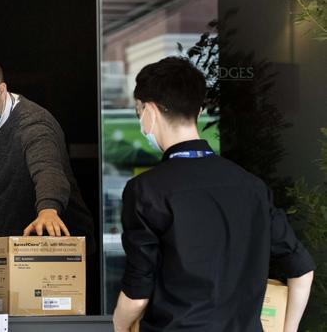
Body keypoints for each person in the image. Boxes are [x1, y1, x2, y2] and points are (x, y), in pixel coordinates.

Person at [112, 57, 315, 332]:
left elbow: (137, 297)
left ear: (149, 109)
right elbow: (301, 268)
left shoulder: (146, 191)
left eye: (138, 112)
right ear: (198, 109)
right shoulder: (251, 186)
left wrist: (119, 326)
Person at [0, 56, 95, 252]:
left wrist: (48, 209)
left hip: (60, 244)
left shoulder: (33, 124)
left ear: (1, 91)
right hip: (11, 243)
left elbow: (47, 168)